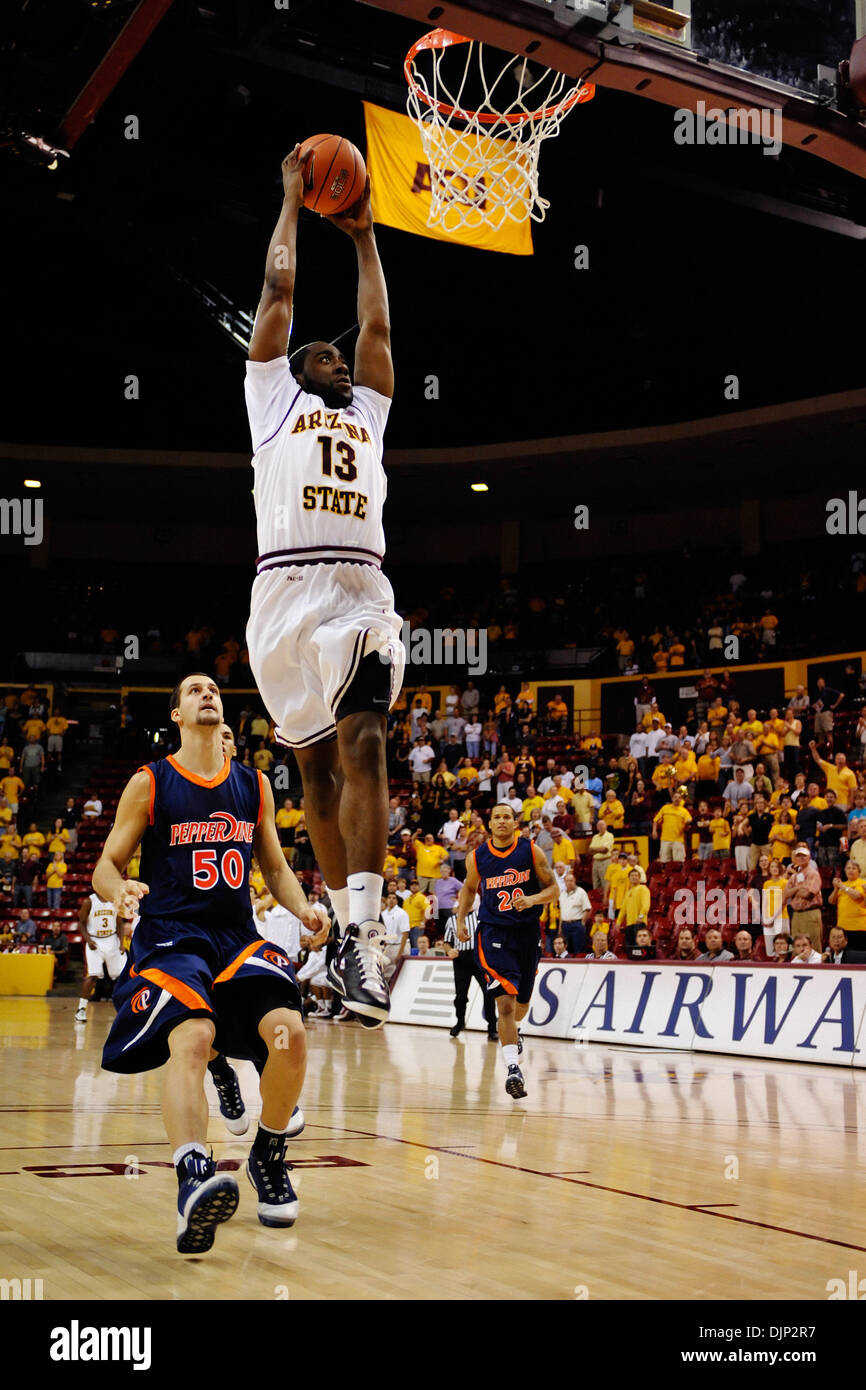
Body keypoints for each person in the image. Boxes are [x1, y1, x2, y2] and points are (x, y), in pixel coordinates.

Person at [243, 146, 406, 1029]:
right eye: (321, 356)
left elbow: (375, 329)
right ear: (295, 371)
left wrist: (365, 237)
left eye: (338, 359)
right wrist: (291, 202)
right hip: (279, 596)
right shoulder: (272, 401)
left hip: (356, 590)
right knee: (312, 765)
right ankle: (342, 930)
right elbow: (277, 293)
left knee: (366, 739)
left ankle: (369, 930)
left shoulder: (369, 412)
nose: (336, 360)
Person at [98, 674, 326, 1253]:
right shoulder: (150, 782)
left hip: (235, 936)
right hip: (172, 936)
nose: (207, 694)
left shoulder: (253, 784)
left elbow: (274, 867)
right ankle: (193, 1175)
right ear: (176, 714)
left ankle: (267, 1155)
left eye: (214, 690)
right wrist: (118, 890)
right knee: (195, 1037)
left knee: (290, 1034)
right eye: (194, 690)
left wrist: (304, 908)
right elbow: (107, 863)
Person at [456, 803, 557, 1100]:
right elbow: (470, 888)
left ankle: (516, 1033)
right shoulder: (477, 857)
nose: (501, 821)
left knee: (521, 1004)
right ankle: (513, 1068)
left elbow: (554, 889)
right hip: (493, 934)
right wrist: (460, 919)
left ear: (515, 823)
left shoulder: (531, 852)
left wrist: (533, 899)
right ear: (489, 824)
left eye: (507, 817)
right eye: (496, 817)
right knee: (506, 1005)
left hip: (527, 933)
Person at [443, 897, 497, 1039]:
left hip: (480, 958)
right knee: (460, 996)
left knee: (489, 993)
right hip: (461, 960)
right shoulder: (451, 920)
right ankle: (460, 1022)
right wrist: (449, 950)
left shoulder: (481, 917)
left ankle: (492, 1027)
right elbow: (447, 942)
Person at [74, 892, 129, 1024]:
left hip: (112, 939)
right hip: (94, 941)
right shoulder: (89, 902)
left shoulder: (115, 900)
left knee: (123, 975)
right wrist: (88, 940)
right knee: (92, 975)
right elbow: (81, 923)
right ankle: (81, 1009)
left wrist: (121, 943)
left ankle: (127, 1009)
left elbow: (119, 923)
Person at [781, 844, 823, 954]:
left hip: (810, 913)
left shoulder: (813, 874)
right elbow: (785, 894)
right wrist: (798, 888)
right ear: (794, 858)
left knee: (813, 947)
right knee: (796, 947)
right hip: (796, 914)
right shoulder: (794, 876)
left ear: (809, 857)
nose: (801, 858)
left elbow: (807, 894)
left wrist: (793, 891)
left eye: (804, 855)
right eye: (798, 856)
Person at [829, 859, 866, 950]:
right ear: (845, 871)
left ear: (859, 871)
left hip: (859, 927)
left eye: (854, 868)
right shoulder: (843, 885)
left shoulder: (862, 883)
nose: (850, 870)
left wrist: (841, 886)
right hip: (842, 927)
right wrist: (836, 888)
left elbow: (856, 895)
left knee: (859, 953)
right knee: (845, 953)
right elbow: (831, 901)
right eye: (848, 868)